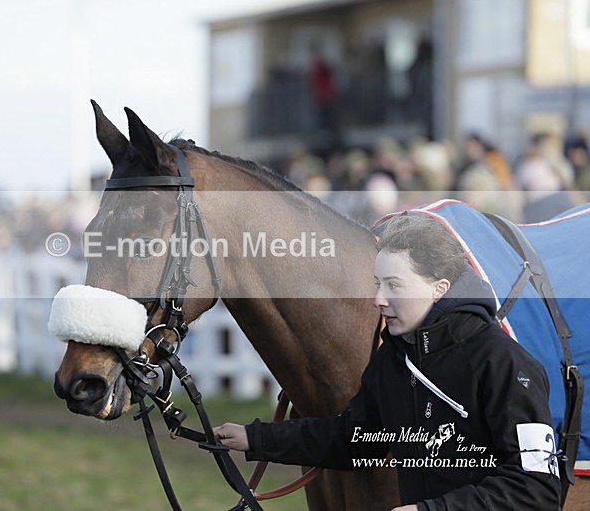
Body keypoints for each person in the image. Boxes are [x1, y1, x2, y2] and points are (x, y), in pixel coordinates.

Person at [214, 212, 561, 510]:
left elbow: (537, 489)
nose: (379, 299)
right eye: (378, 284)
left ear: (439, 288)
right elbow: (351, 437)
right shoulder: (394, 359)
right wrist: (254, 438)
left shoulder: (504, 363)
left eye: (394, 285)